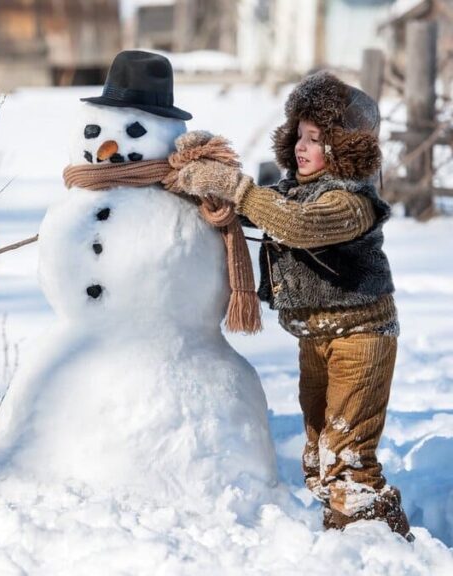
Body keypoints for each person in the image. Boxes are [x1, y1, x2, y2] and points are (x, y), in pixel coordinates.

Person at [178, 71, 411, 537]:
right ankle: (347, 536)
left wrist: (238, 188)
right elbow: (264, 207)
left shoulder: (351, 202)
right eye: (298, 135)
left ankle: (382, 547)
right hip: (316, 339)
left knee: (347, 461)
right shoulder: (294, 190)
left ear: (345, 147)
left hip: (360, 340)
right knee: (318, 458)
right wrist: (206, 179)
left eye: (316, 138)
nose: (302, 147)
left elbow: (298, 225)